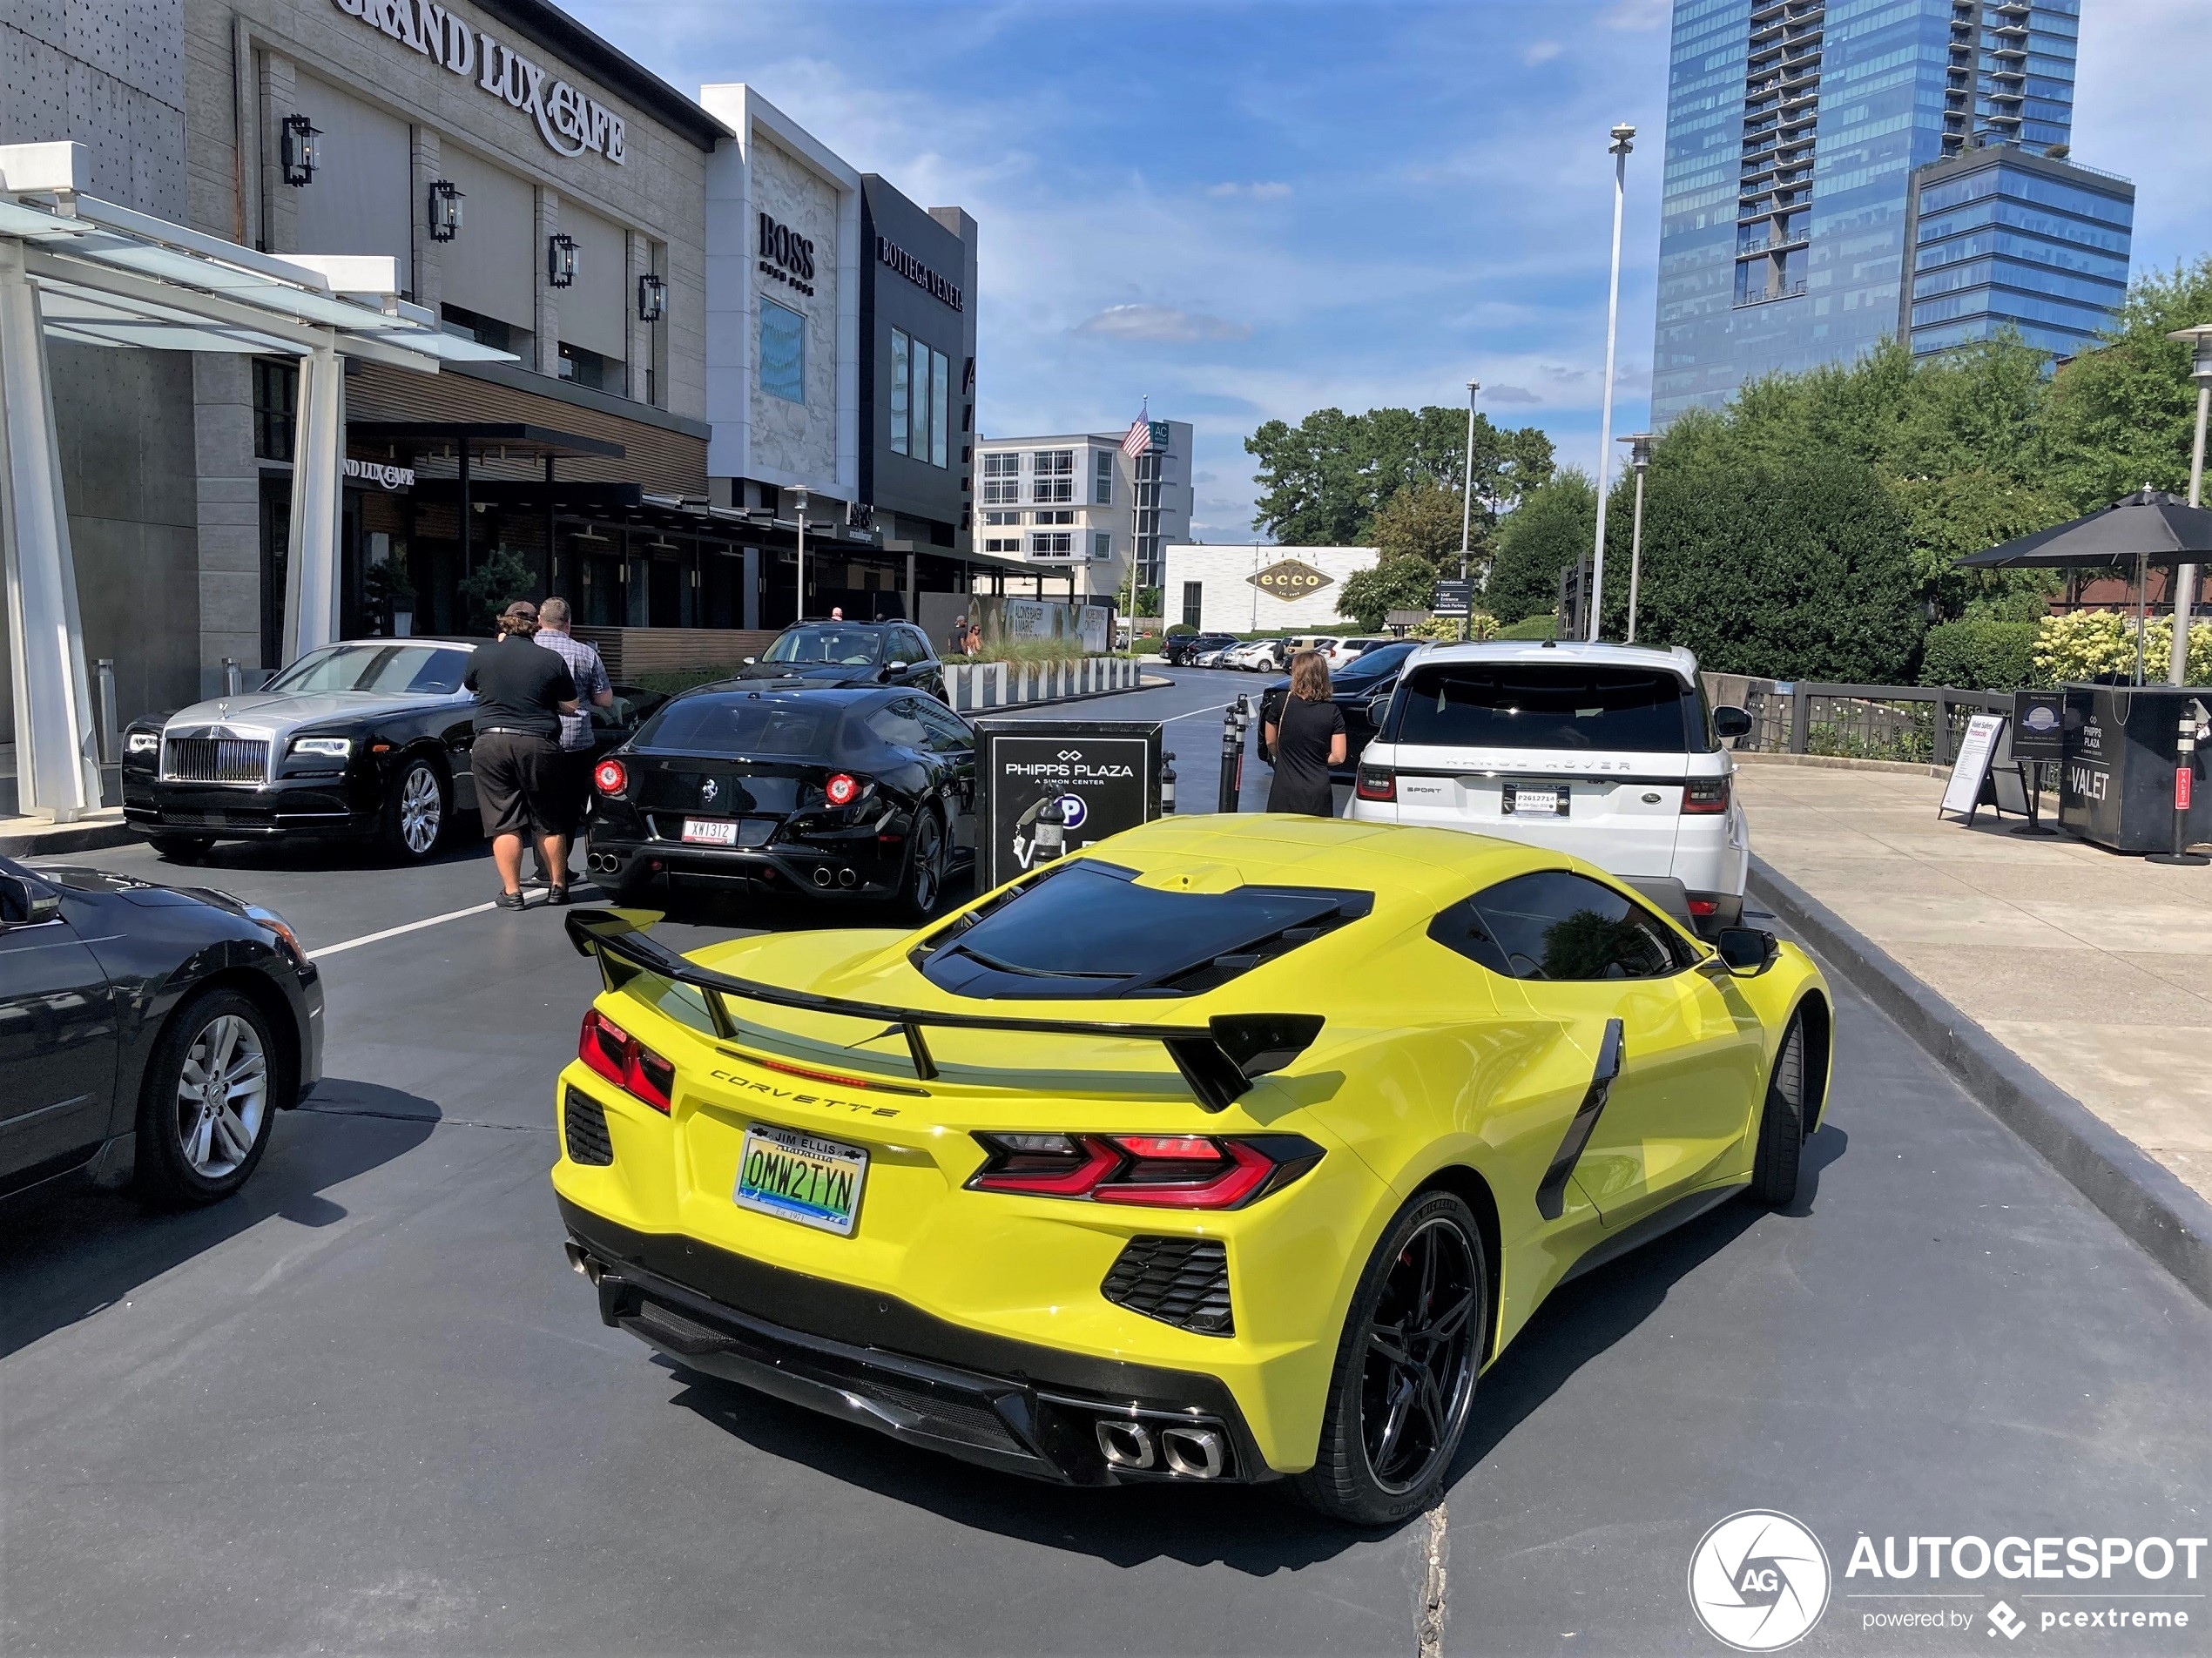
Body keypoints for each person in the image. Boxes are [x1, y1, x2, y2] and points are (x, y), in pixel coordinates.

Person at [464, 601, 578, 909]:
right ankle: (557, 887)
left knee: (503, 821)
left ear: (504, 624)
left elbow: (471, 685)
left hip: (491, 743)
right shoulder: (551, 659)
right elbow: (572, 704)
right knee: (549, 819)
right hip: (539, 743)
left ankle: (513, 893)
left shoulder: (482, 654)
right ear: (536, 625)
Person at [533, 596, 614, 886]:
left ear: (540, 621)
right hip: (577, 740)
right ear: (568, 623)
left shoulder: (530, 649)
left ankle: (542, 869)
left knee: (540, 803)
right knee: (568, 807)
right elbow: (604, 699)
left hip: (538, 737)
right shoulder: (585, 653)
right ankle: (560, 869)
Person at [1264, 650, 1346, 817]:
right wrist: (1315, 758)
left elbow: (1270, 741)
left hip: (1284, 787)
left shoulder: (1281, 702)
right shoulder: (1332, 711)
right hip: (1317, 791)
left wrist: (1283, 756)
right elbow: (1339, 756)